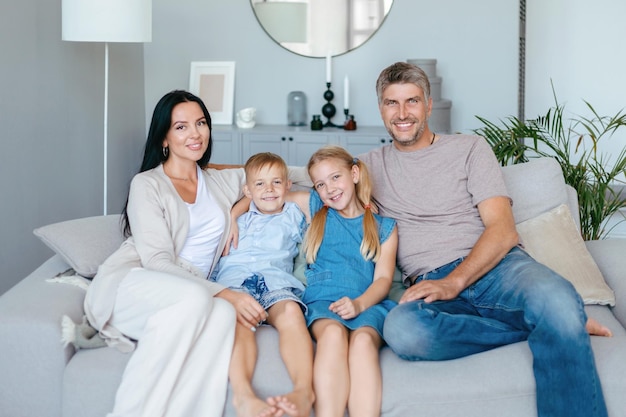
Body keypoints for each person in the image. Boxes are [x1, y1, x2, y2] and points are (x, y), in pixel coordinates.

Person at [357, 61, 609, 417]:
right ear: (380, 108)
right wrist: (246, 197)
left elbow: (503, 230)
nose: (402, 114)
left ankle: (554, 317)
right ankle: (549, 325)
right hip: (430, 281)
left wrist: (454, 282)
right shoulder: (366, 167)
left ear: (428, 106)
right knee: (403, 330)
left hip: (500, 268)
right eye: (391, 103)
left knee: (556, 295)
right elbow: (302, 181)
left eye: (412, 101)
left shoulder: (469, 149)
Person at [84, 90, 249, 417]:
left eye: (201, 123)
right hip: (138, 283)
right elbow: (157, 261)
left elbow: (281, 172)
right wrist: (226, 293)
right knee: (206, 302)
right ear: (164, 137)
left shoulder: (218, 181)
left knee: (222, 316)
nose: (196, 134)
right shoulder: (147, 184)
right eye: (182, 127)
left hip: (191, 293)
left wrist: (350, 174)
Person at [288, 145, 398, 417]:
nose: (330, 189)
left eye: (336, 177)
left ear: (355, 173)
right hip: (324, 302)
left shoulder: (385, 227)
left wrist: (360, 304)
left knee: (362, 343)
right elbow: (266, 189)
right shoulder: (317, 208)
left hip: (368, 304)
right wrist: (233, 214)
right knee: (334, 334)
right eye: (321, 184)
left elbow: (384, 279)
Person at [210, 152, 314, 417]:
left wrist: (275, 194)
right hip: (235, 285)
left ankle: (304, 391)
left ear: (288, 185)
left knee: (291, 312)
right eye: (260, 184)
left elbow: (319, 188)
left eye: (276, 183)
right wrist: (234, 214)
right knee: (237, 321)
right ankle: (244, 396)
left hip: (275, 282)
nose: (269, 190)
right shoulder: (235, 217)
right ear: (247, 190)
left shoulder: (294, 211)